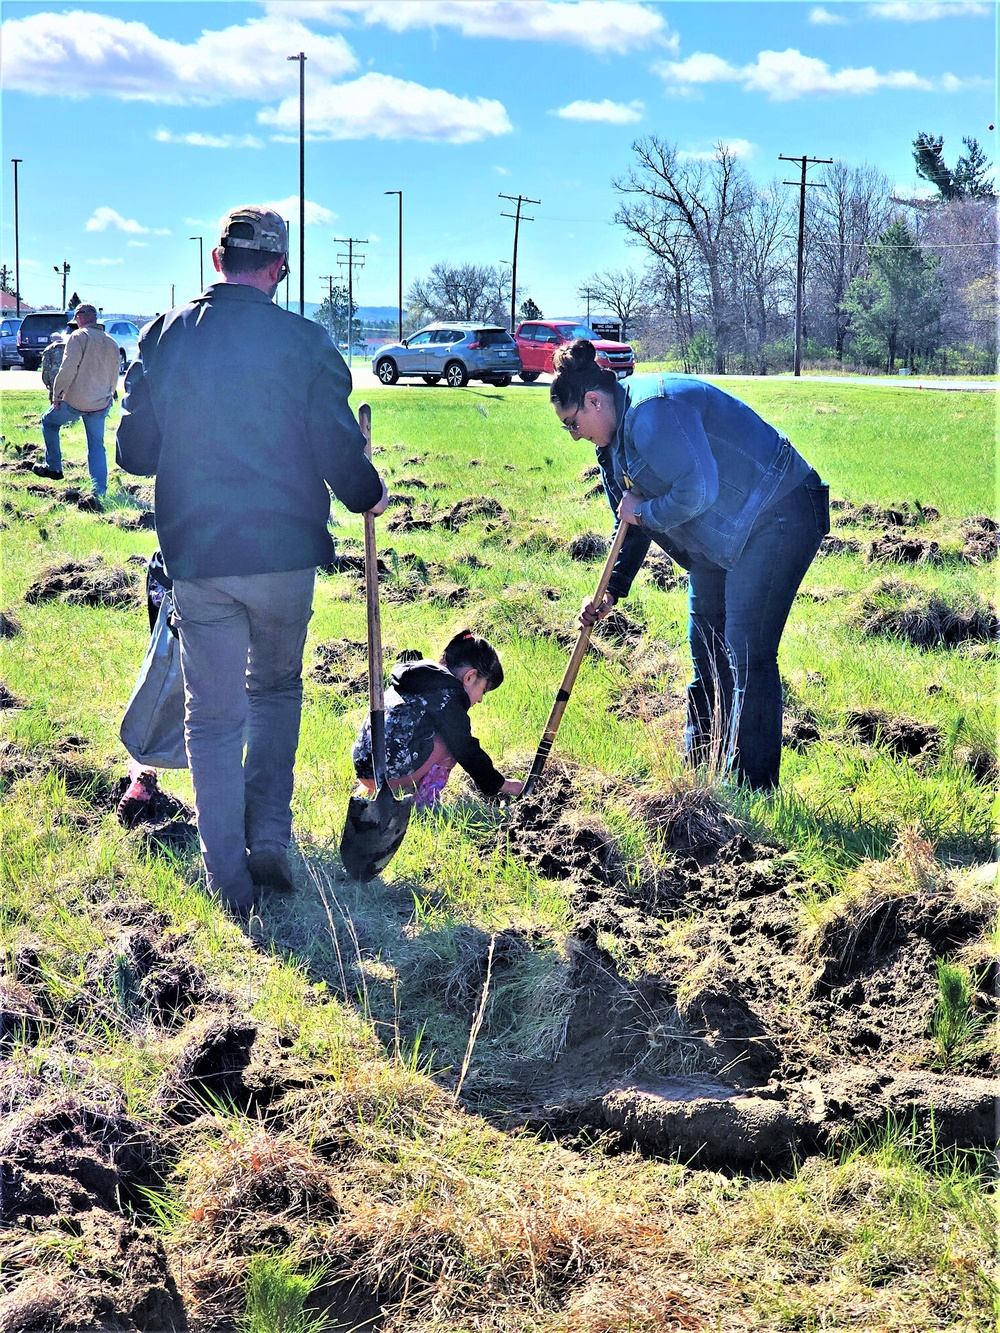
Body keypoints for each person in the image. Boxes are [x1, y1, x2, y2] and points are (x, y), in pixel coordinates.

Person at [116, 204, 388, 915]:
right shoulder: (307, 344)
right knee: (274, 690)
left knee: (211, 717)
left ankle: (229, 882)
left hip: (199, 556)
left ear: (215, 261)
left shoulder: (164, 338)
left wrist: (142, 397)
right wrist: (369, 490)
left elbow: (134, 454)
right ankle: (267, 832)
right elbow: (338, 453)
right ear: (278, 269)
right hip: (284, 556)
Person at [551, 339, 829, 791]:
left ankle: (751, 788)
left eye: (572, 423)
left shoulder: (654, 412)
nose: (574, 434)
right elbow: (630, 525)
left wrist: (642, 511)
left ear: (594, 401)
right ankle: (700, 776)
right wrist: (611, 591)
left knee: (746, 654)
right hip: (720, 534)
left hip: (778, 510)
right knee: (707, 652)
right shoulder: (611, 448)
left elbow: (698, 490)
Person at [352, 631, 524, 809]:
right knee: (452, 744)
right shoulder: (448, 695)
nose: (480, 699)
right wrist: (501, 784)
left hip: (365, 767)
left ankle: (373, 791)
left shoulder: (417, 678)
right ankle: (424, 804)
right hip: (391, 774)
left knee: (423, 735)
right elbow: (467, 750)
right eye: (484, 691)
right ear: (470, 677)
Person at [33, 303, 119, 500]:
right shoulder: (111, 342)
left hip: (76, 401)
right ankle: (99, 491)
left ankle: (54, 466)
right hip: (100, 403)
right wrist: (110, 395)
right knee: (96, 446)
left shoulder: (79, 337)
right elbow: (115, 375)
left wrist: (57, 394)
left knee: (49, 422)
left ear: (81, 317)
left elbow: (68, 368)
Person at [116, 549, 171, 827]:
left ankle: (144, 767)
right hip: (251, 571)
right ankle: (223, 801)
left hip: (178, 565)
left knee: (163, 674)